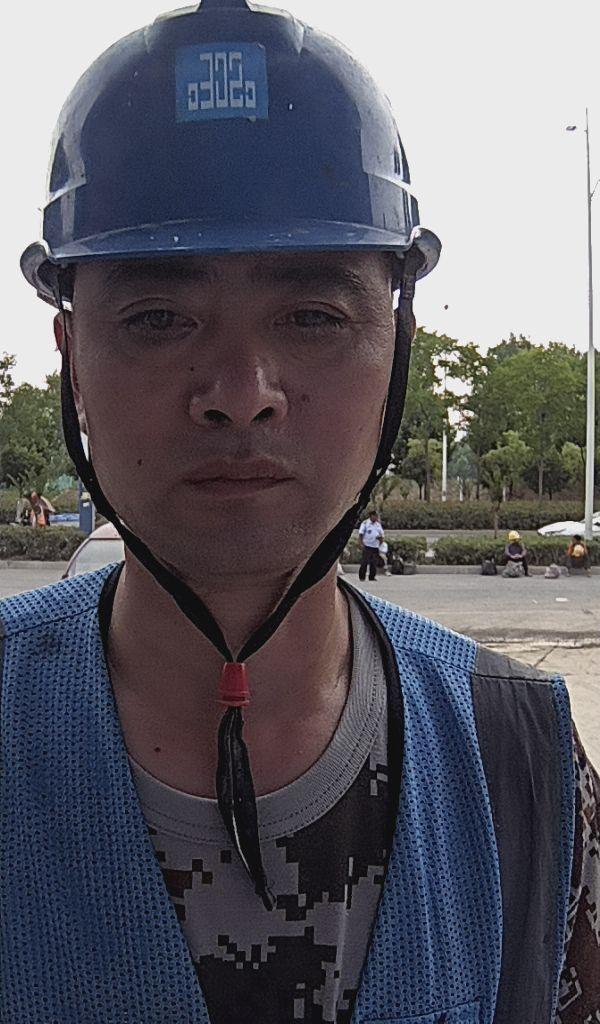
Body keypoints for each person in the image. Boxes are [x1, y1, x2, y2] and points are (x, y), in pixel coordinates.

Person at [3, 2, 598, 1021]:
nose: (241, 393)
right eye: (158, 317)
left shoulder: (525, 766)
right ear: (71, 356)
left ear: (398, 345)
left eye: (313, 315)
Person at [357, 510, 384, 582]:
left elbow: (381, 534)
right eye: (375, 516)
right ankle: (362, 577)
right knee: (364, 562)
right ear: (371, 516)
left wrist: (380, 540)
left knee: (374, 563)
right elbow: (361, 534)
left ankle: (372, 577)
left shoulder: (378, 524)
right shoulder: (365, 523)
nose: (376, 517)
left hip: (375, 546)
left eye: (377, 516)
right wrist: (360, 543)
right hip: (367, 546)